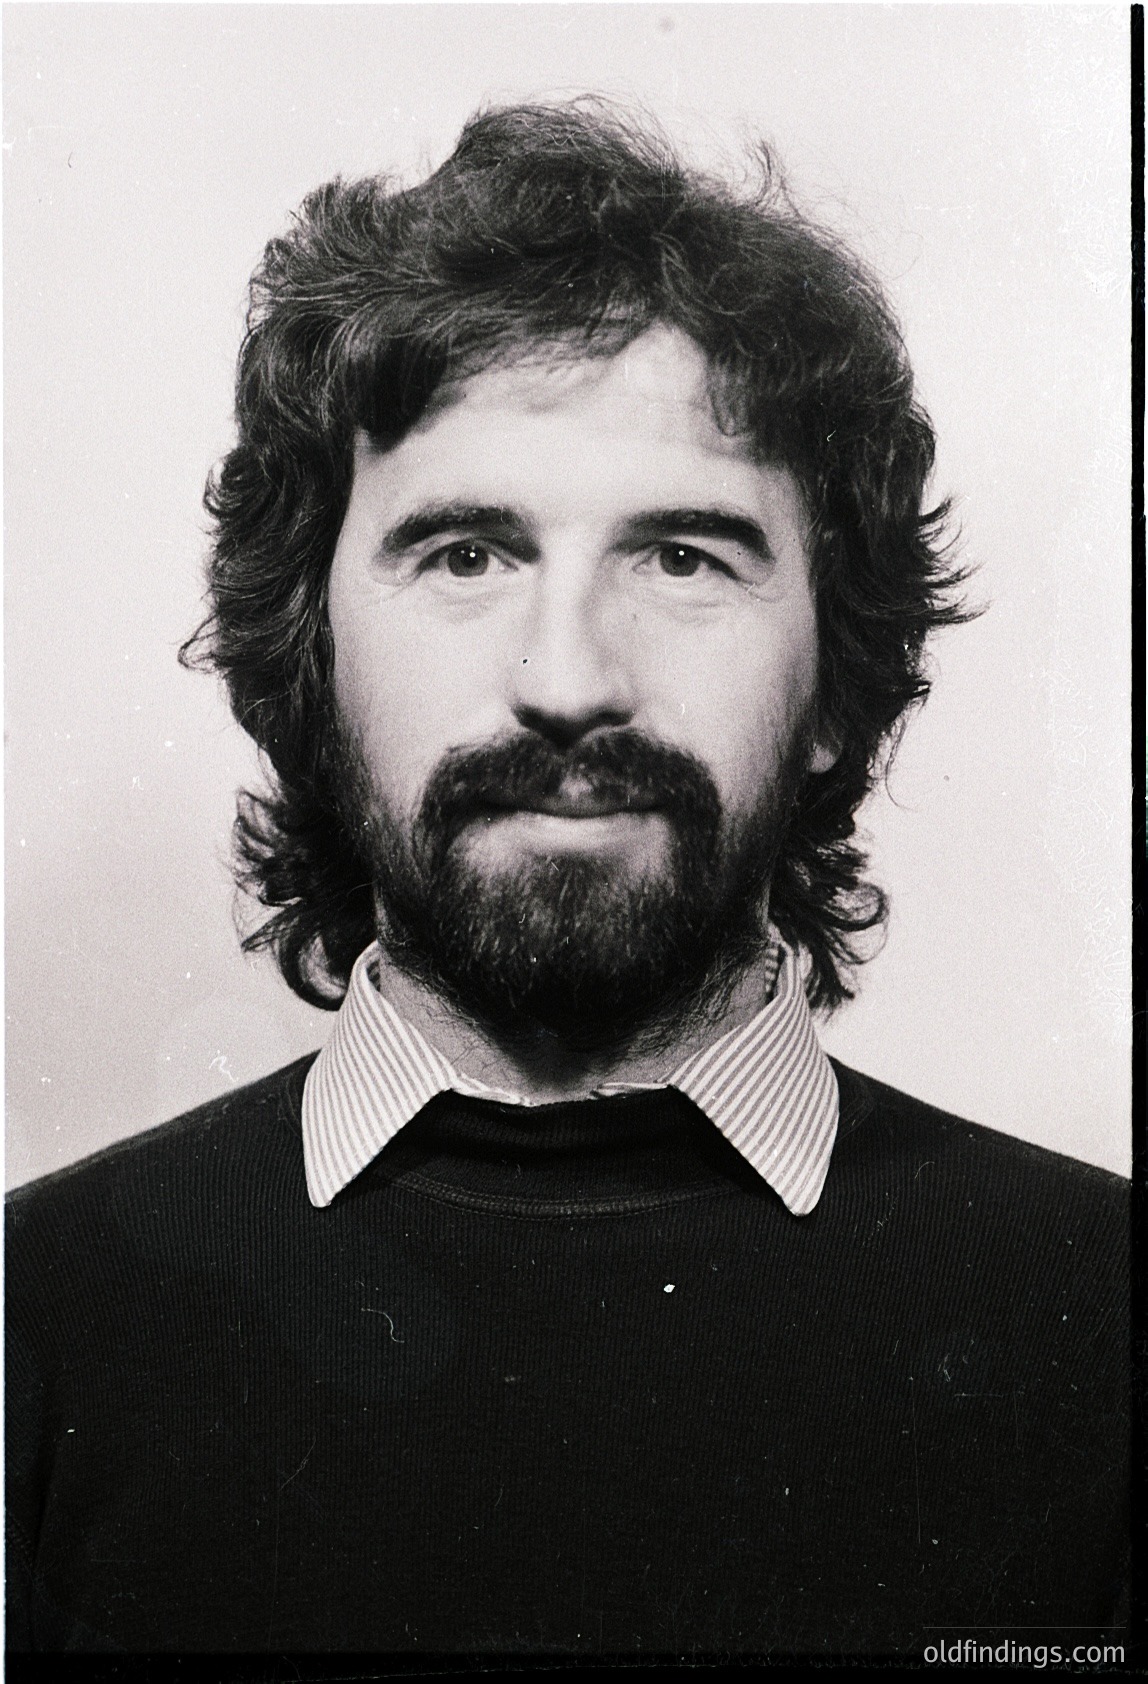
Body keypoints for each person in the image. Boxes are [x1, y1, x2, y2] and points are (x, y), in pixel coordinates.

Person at [6, 101, 1128, 1658]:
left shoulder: (1110, 1315)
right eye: (465, 555)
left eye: (684, 557)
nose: (568, 680)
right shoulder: (30, 1322)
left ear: (838, 680)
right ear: (310, 666)